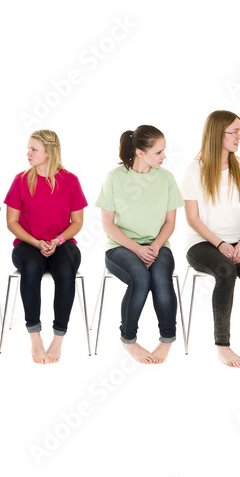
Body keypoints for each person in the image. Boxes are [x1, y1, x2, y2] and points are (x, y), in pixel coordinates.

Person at [182, 111, 240, 368]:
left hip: (239, 241)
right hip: (202, 243)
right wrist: (220, 244)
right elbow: (193, 218)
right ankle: (223, 346)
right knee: (226, 271)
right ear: (218, 134)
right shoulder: (193, 170)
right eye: (234, 132)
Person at [96, 125, 183, 364]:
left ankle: (166, 339)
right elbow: (108, 224)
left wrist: (154, 247)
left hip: (158, 245)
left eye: (164, 151)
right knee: (141, 279)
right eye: (159, 152)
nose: (164, 157)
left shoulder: (166, 178)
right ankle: (128, 340)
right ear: (140, 152)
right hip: (120, 247)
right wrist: (137, 249)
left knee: (160, 279)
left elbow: (170, 222)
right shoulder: (114, 178)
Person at [4, 130, 87, 364]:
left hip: (62, 242)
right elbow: (11, 222)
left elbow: (78, 222)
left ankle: (58, 338)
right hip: (28, 243)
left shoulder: (70, 180)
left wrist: (58, 240)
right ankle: (35, 337)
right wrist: (35, 241)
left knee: (64, 271)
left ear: (48, 153)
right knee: (32, 267)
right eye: (28, 148)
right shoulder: (21, 180)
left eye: (33, 149)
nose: (28, 153)